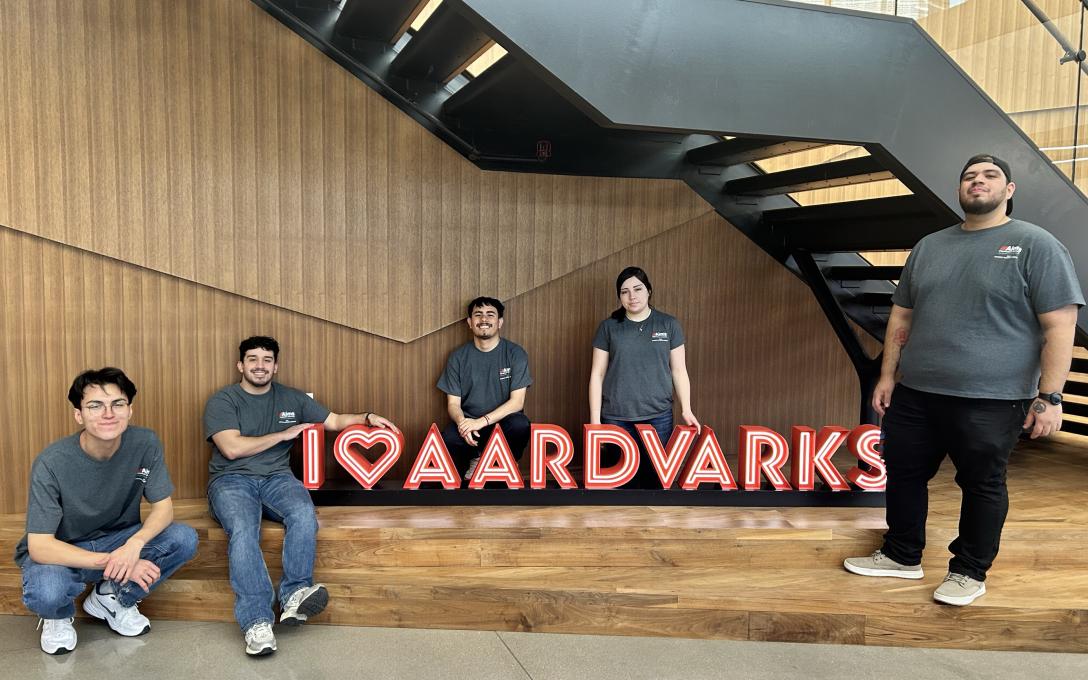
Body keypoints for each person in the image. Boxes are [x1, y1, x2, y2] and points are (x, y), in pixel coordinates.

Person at [844, 154, 1084, 606]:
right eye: (969, 176)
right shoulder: (931, 246)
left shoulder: (1035, 245)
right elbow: (903, 313)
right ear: (960, 190)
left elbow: (1059, 326)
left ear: (1009, 190)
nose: (978, 182)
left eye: (990, 176)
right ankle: (901, 555)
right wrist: (888, 375)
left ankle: (969, 571)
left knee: (981, 484)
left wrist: (1050, 396)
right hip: (917, 393)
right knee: (905, 475)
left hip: (992, 399)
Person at [204, 336, 398, 656]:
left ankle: (295, 595)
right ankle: (257, 622)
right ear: (240, 365)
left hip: (278, 479)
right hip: (230, 481)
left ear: (276, 366)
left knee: (304, 513)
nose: (260, 366)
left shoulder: (292, 398)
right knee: (242, 528)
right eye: (252, 359)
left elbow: (334, 420)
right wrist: (283, 434)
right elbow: (231, 447)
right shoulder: (223, 400)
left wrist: (367, 418)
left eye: (267, 360)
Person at [15, 368, 198, 655]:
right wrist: (115, 561)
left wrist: (134, 545)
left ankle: (110, 597)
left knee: (183, 538)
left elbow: (164, 509)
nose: (108, 413)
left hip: (116, 537)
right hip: (63, 551)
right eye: (95, 405)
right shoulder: (51, 462)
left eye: (117, 404)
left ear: (130, 410)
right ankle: (58, 615)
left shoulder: (145, 442)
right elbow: (39, 546)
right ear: (79, 415)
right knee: (47, 593)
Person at [588, 266, 700, 488]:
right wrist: (595, 420)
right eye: (624, 291)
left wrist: (686, 409)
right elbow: (596, 374)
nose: (632, 296)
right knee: (618, 486)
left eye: (637, 289)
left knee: (654, 483)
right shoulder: (608, 327)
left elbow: (679, 370)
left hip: (658, 416)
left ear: (649, 290)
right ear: (619, 296)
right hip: (616, 417)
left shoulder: (668, 324)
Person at [438, 297, 532, 482]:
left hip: (503, 423)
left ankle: (507, 462)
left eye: (490, 315)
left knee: (520, 424)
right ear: (469, 323)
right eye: (478, 315)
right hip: (471, 426)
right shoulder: (457, 357)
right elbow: (453, 404)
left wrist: (482, 421)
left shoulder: (515, 353)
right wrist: (463, 423)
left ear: (500, 322)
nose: (484, 319)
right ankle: (477, 459)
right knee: (448, 437)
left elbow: (517, 402)